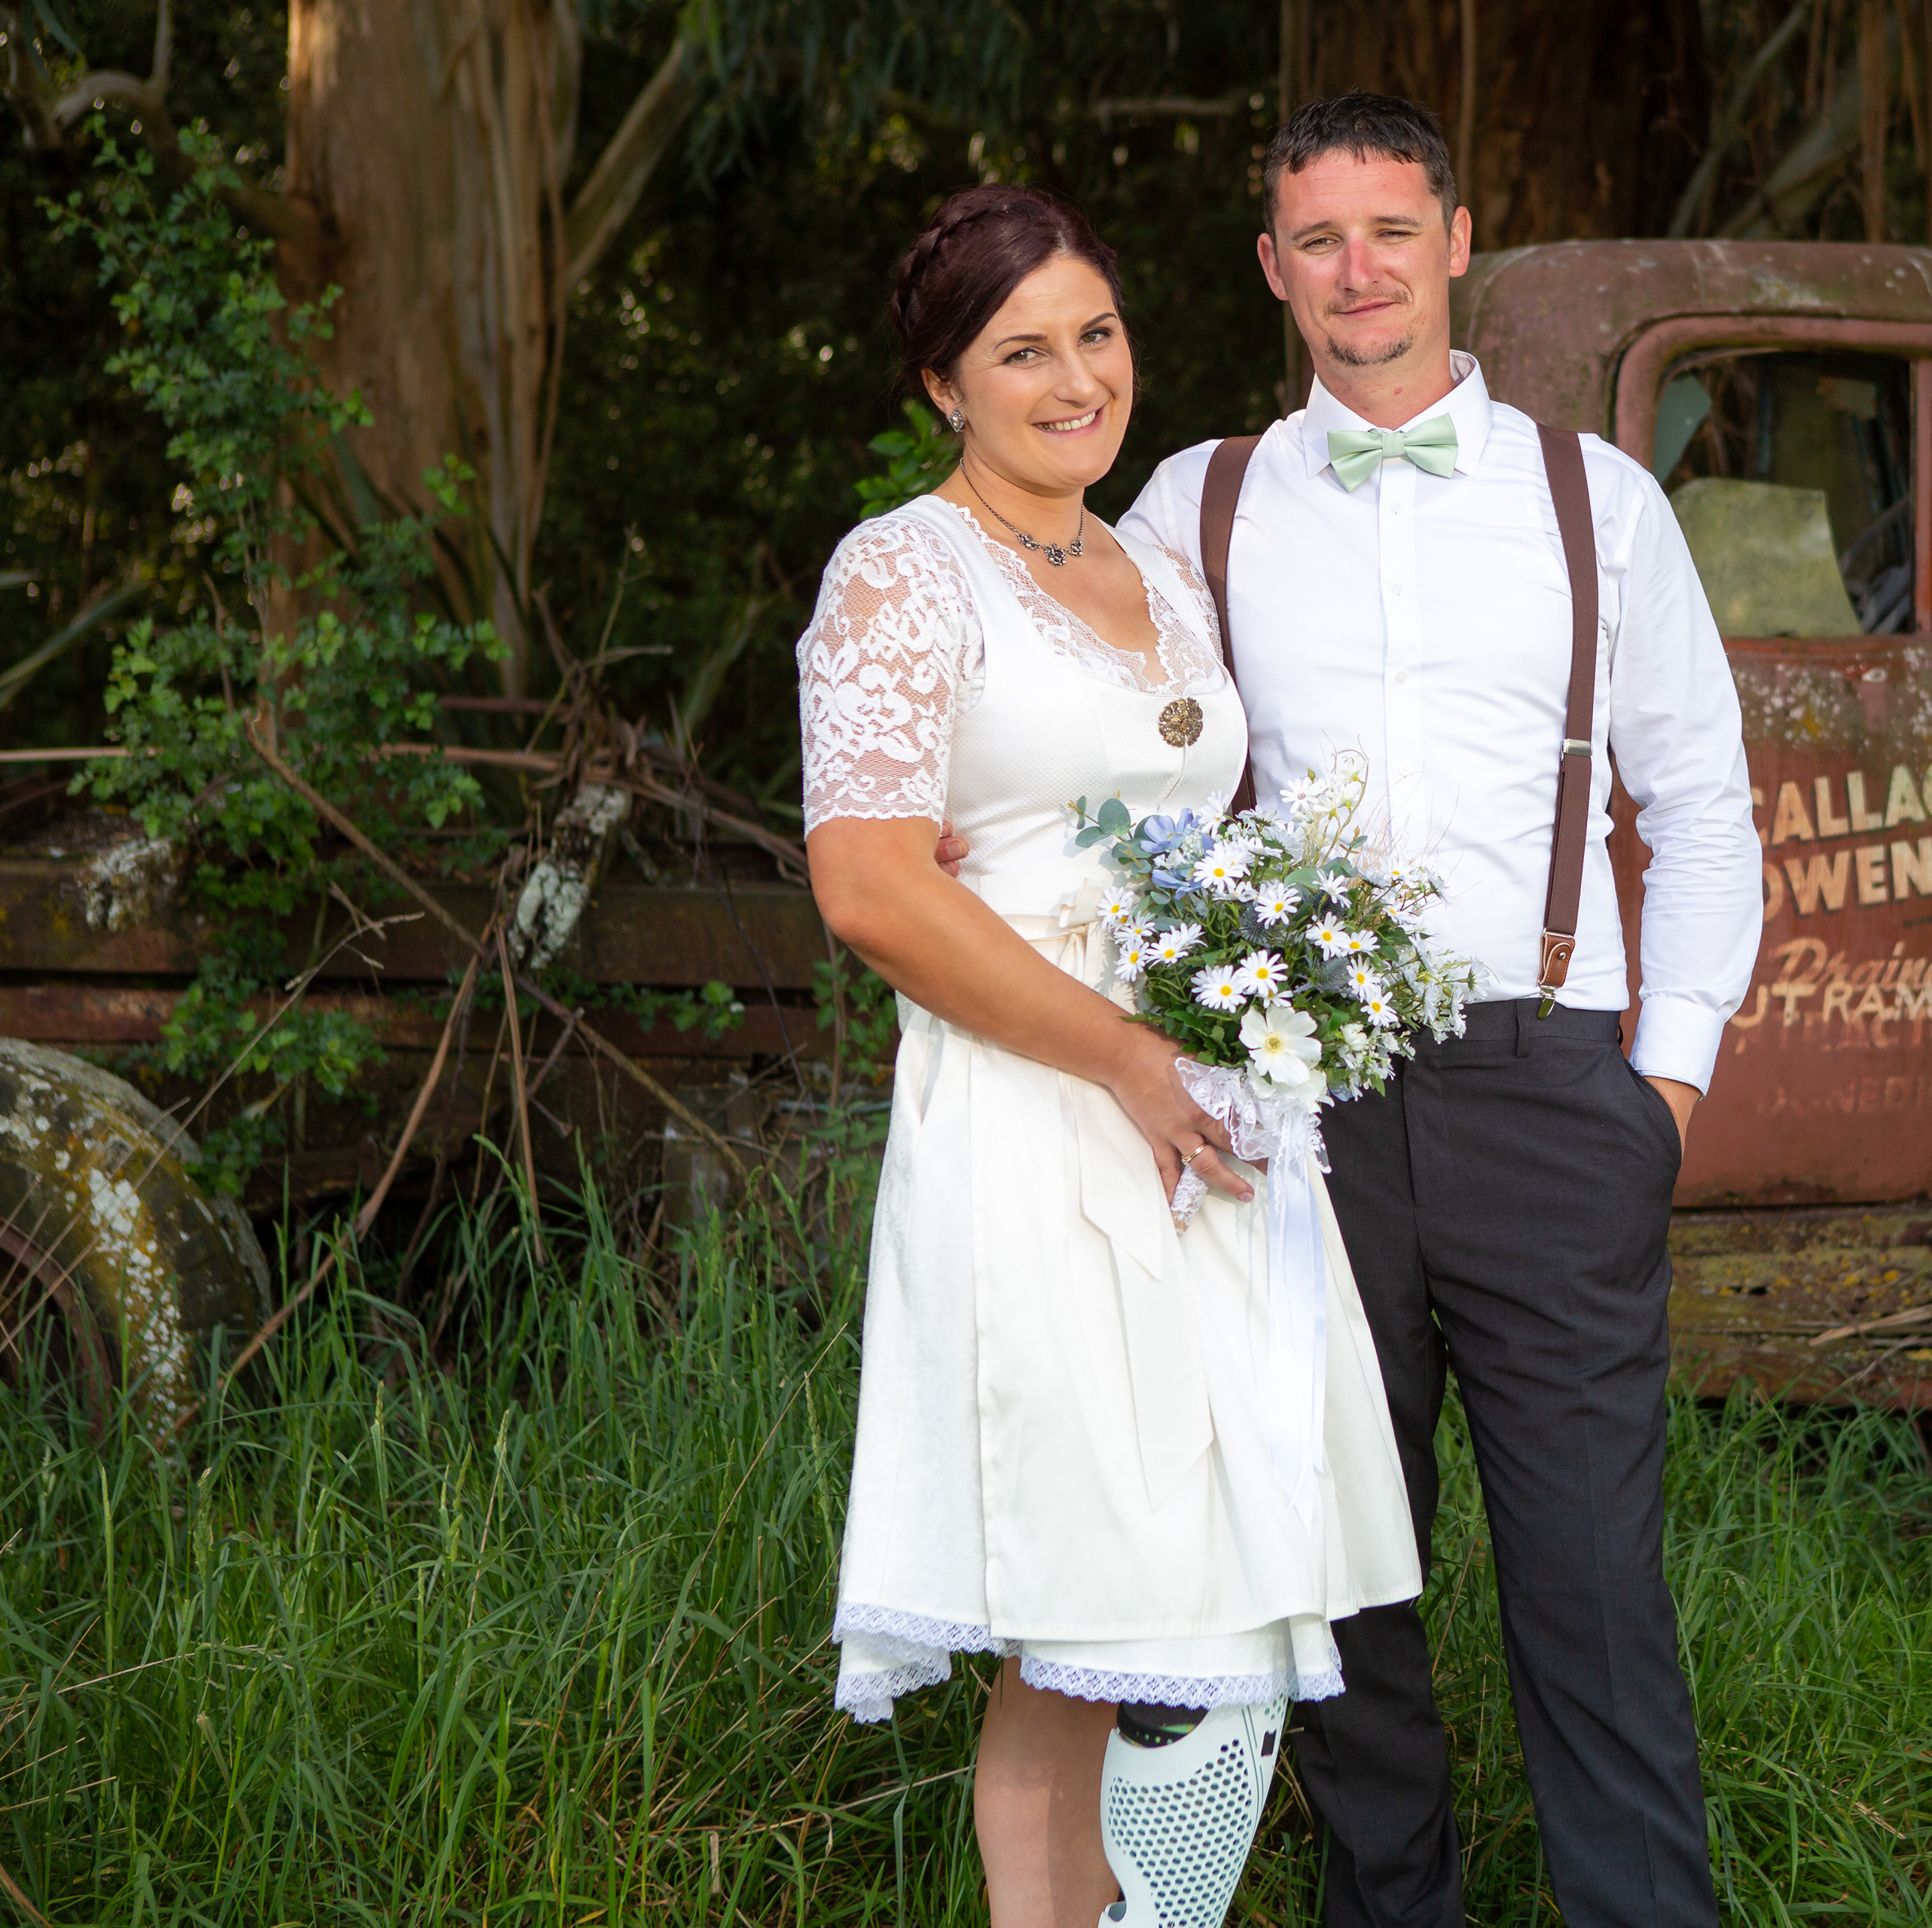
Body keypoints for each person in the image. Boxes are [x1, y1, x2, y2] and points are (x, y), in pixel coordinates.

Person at [1119, 93, 1764, 1928]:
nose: (1360, 272)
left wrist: (1665, 1090)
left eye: (1391, 231)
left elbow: (1704, 813)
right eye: (1318, 240)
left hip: (1557, 1085)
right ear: (1272, 269)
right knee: (1341, 1580)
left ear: (1458, 241)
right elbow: (1126, 798)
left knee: (1590, 1582)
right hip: (1303, 1112)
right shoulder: (1201, 501)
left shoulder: (1596, 500)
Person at [797, 182, 1421, 1928]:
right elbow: (866, 884)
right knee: (1095, 1604)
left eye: (1098, 331)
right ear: (943, 384)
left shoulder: (1150, 556)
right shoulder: (898, 572)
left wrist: (1255, 1003)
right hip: (1040, 1112)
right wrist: (1131, 1059)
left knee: (1179, 1596)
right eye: (1022, 350)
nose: (1075, 378)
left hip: (1202, 1127)